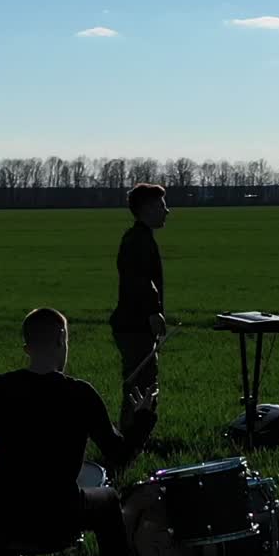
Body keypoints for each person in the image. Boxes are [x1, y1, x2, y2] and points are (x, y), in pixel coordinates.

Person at [0, 307, 157, 556]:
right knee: (110, 499)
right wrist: (143, 420)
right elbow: (120, 455)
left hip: (8, 518)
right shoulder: (81, 394)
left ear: (27, 347)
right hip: (61, 517)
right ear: (62, 339)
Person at [109, 182, 169, 432]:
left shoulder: (138, 238)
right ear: (149, 208)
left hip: (133, 324)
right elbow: (140, 281)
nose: (167, 211)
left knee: (140, 383)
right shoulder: (138, 241)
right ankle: (130, 442)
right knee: (141, 386)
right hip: (135, 326)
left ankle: (130, 440)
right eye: (163, 205)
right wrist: (153, 313)